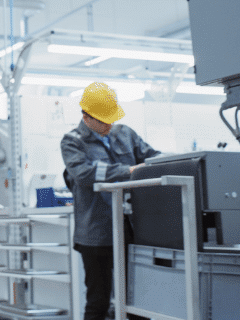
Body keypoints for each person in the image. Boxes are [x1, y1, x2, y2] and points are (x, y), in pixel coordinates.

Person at [61, 82, 159, 320]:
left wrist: (169, 161)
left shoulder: (125, 133)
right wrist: (130, 170)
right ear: (86, 117)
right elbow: (84, 173)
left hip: (130, 229)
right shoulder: (72, 141)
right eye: (103, 120)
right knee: (98, 301)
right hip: (95, 233)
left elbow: (152, 157)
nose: (109, 124)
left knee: (137, 299)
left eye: (111, 118)